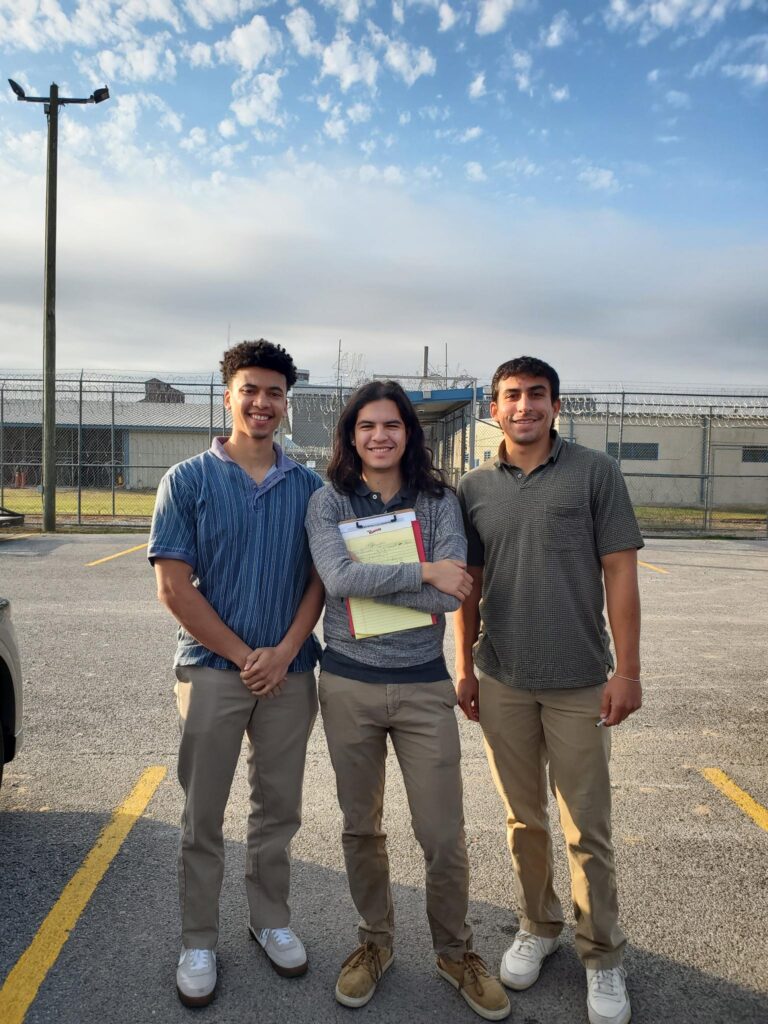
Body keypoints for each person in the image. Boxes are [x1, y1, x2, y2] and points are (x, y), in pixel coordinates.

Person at [305, 380, 510, 1022]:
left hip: (424, 686)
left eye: (391, 425)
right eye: (367, 426)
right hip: (347, 683)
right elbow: (338, 580)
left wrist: (386, 586)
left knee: (442, 834)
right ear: (351, 435)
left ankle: (456, 952)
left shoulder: (439, 501)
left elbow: (455, 598)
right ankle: (374, 943)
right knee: (361, 826)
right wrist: (421, 571)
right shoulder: (327, 501)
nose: (380, 436)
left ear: (408, 433)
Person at [455, 356, 643, 1024]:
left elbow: (620, 572)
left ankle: (603, 955)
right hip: (502, 677)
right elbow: (466, 586)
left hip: (579, 680)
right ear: (493, 408)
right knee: (523, 819)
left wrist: (628, 671)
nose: (524, 406)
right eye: (511, 396)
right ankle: (538, 924)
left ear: (556, 406)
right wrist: (465, 666)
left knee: (586, 826)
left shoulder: (596, 474)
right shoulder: (473, 486)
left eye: (537, 395)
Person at [148, 340, 324, 1007]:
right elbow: (174, 586)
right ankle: (198, 938)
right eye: (249, 389)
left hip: (290, 672)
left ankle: (270, 920)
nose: (261, 402)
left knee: (277, 810)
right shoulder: (187, 481)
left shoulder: (308, 488)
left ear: (286, 402)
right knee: (203, 814)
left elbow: (318, 581)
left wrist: (281, 651)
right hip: (212, 673)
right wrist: (244, 654)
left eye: (274, 392)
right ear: (227, 394)